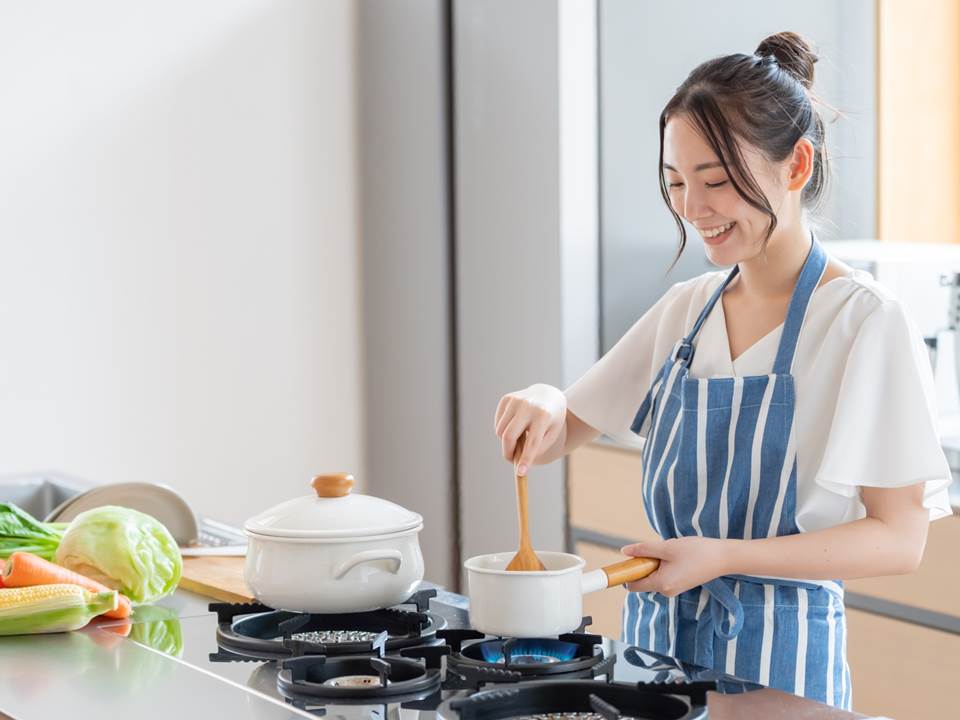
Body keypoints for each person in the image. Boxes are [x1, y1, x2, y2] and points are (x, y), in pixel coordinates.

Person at [493, 31, 953, 710]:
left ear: (796, 166)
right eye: (676, 182)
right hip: (658, 666)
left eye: (714, 181)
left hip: (783, 680)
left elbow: (899, 539)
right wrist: (540, 399)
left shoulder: (861, 322)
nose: (692, 208)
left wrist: (726, 557)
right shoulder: (688, 312)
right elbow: (565, 427)